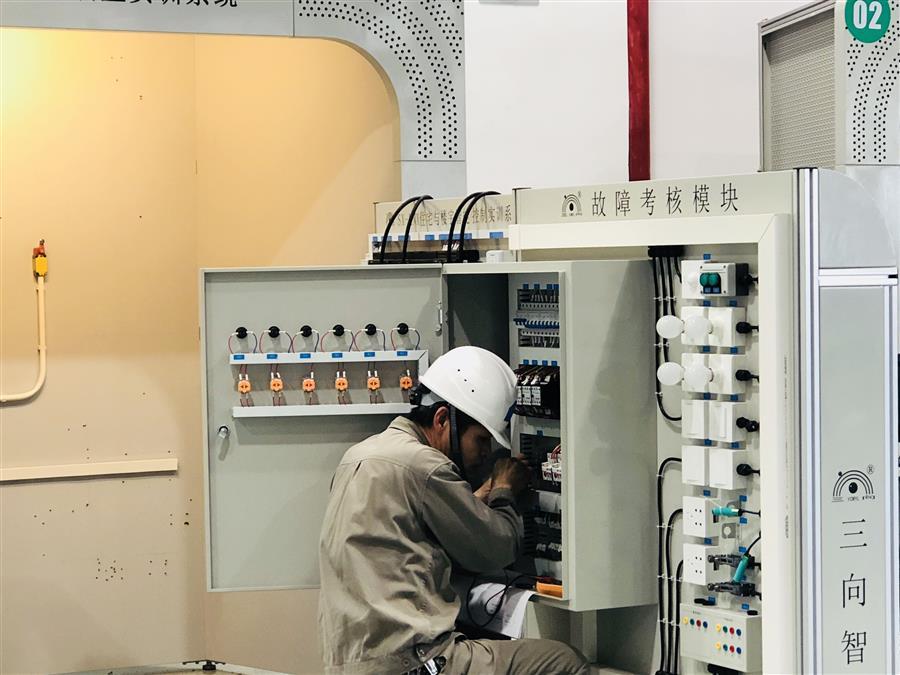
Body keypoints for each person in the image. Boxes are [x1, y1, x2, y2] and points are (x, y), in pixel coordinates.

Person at [318, 346, 589, 675]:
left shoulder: (360, 456)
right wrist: (504, 489)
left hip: (353, 665)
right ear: (443, 419)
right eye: (481, 440)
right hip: (413, 663)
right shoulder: (425, 465)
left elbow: (411, 531)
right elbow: (497, 549)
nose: (485, 453)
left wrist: (479, 495)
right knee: (565, 661)